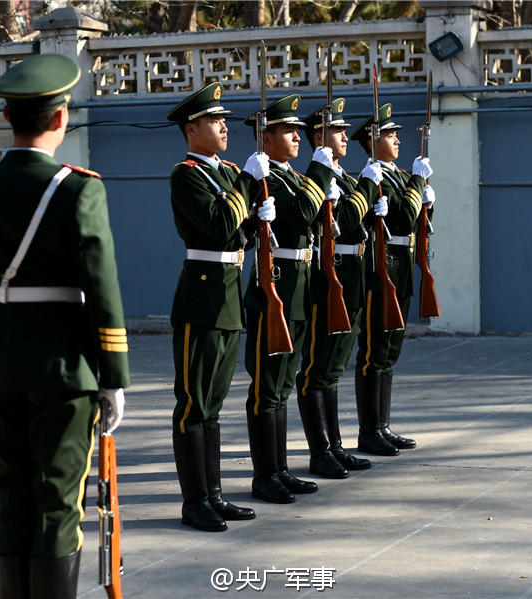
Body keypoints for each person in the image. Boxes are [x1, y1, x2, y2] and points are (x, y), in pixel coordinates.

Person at [0, 54, 129, 599]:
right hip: (64, 368)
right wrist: (113, 374)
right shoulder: (79, 189)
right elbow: (102, 289)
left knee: (11, 493)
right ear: (60, 118)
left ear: (8, 117)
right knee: (57, 499)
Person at [165, 82, 274, 532]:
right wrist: (247, 184)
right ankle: (194, 502)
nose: (225, 126)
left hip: (230, 294)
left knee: (214, 402)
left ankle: (214, 494)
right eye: (214, 120)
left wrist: (258, 216)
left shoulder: (228, 170)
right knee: (193, 403)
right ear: (192, 129)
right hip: (202, 297)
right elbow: (217, 223)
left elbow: (238, 231)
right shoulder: (185, 174)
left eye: (224, 119)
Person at [242, 94, 335, 503]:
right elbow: (301, 215)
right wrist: (320, 165)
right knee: (267, 385)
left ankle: (279, 469)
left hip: (298, 286)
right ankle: (264, 475)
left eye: (299, 131)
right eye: (288, 131)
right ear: (267, 135)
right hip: (274, 285)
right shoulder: (268, 178)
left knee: (282, 385)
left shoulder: (289, 176)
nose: (298, 137)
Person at [294, 98, 386, 477]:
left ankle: (335, 445)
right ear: (320, 137)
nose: (347, 136)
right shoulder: (314, 180)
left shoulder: (341, 178)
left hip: (353, 275)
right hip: (328, 278)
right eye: (338, 131)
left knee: (334, 368)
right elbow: (347, 219)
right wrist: (367, 187)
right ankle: (320, 451)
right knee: (317, 368)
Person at [349, 102, 435, 456]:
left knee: (390, 351)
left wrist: (428, 201)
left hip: (401, 266)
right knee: (374, 351)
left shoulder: (396, 175)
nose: (397, 139)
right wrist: (418, 182)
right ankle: (369, 431)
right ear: (372, 141)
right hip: (379, 269)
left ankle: (383, 425)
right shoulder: (371, 178)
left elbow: (416, 221)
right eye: (390, 134)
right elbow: (400, 218)